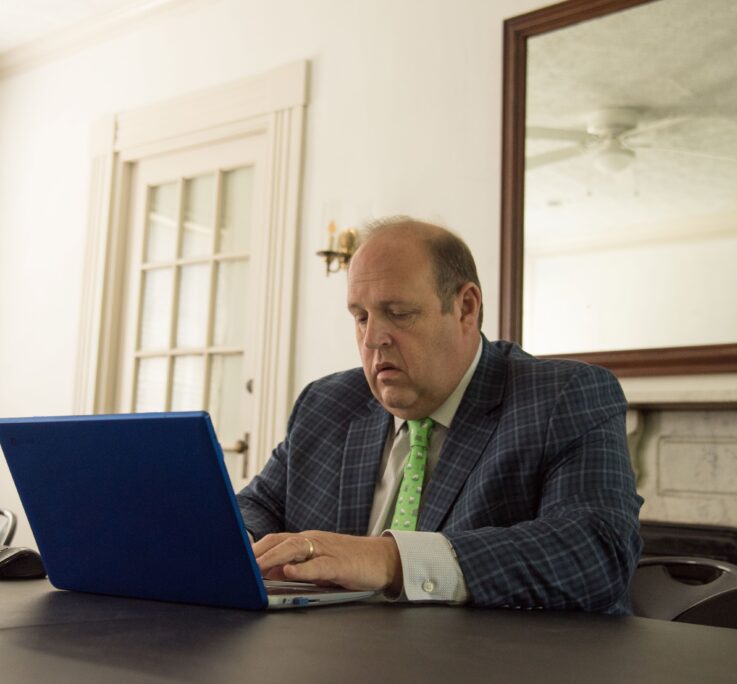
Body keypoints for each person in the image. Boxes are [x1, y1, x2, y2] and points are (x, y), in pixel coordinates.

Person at [237, 217, 643, 613]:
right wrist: (230, 541)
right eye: (360, 317)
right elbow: (258, 506)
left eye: (398, 313)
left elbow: (596, 551)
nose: (373, 338)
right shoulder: (327, 403)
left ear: (465, 307)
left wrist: (392, 560)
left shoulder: (563, 396)